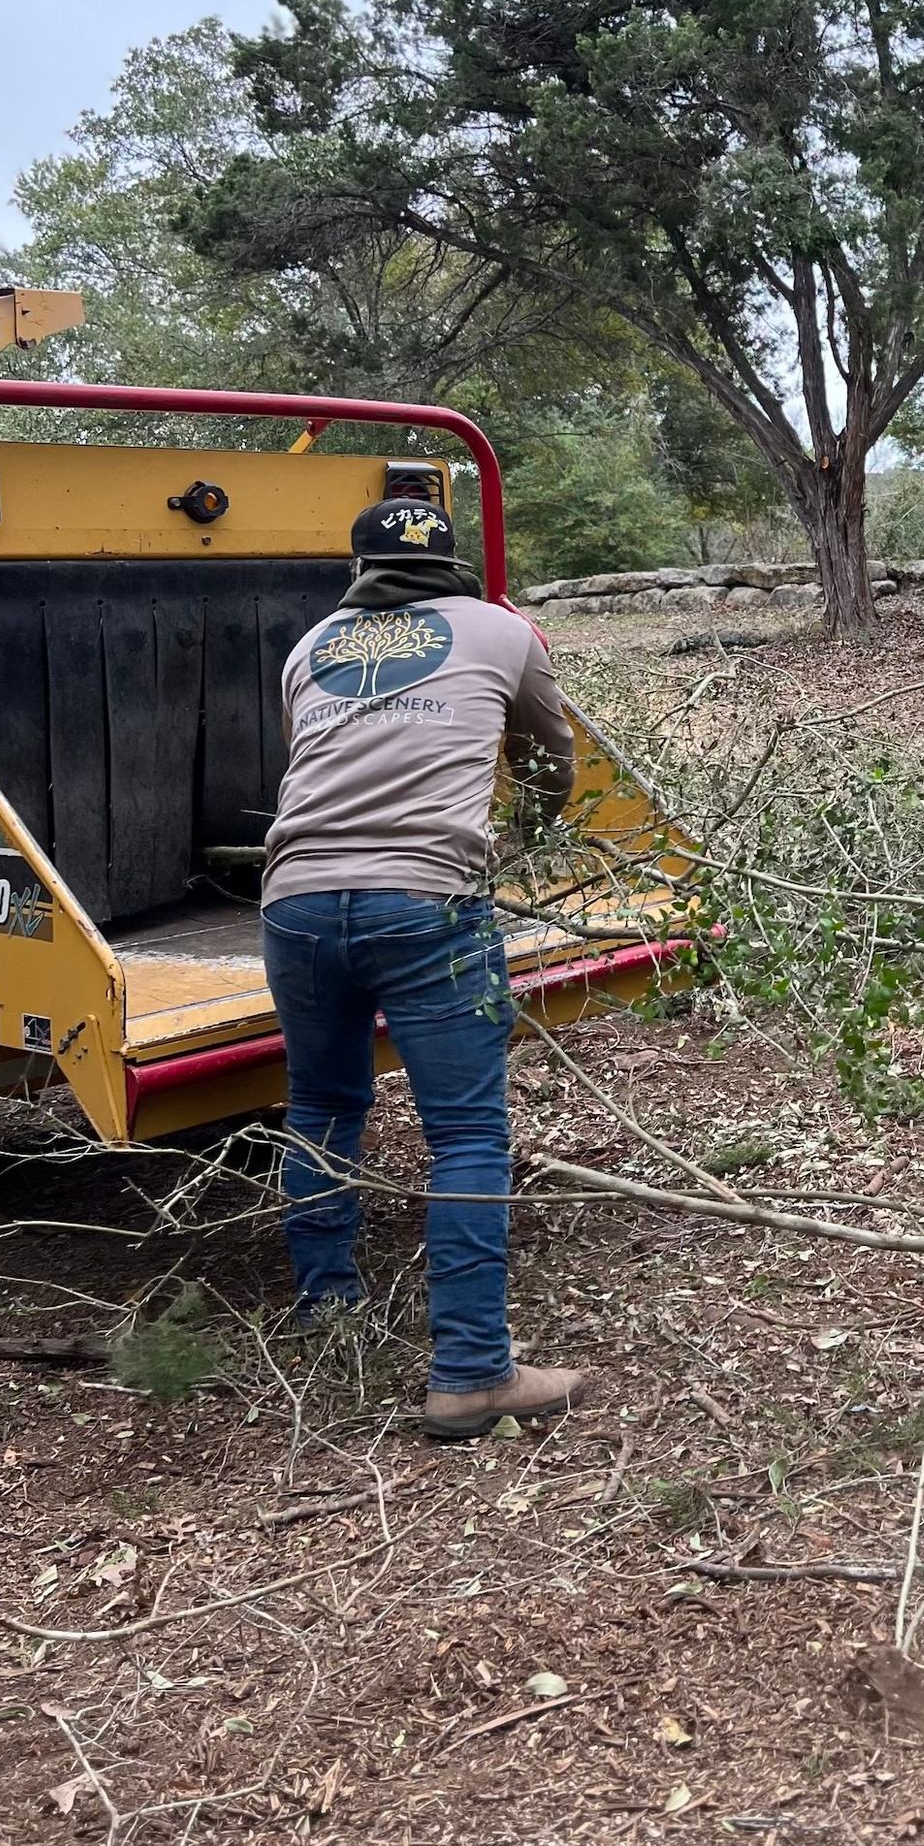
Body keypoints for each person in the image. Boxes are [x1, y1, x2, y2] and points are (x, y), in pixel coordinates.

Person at [261, 496, 583, 1439]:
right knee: (469, 1138)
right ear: (451, 564)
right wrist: (522, 842)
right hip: (428, 904)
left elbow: (309, 764)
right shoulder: (501, 629)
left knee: (322, 1108)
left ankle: (328, 1314)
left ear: (358, 568)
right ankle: (473, 1372)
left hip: (298, 904)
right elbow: (552, 763)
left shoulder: (310, 644)